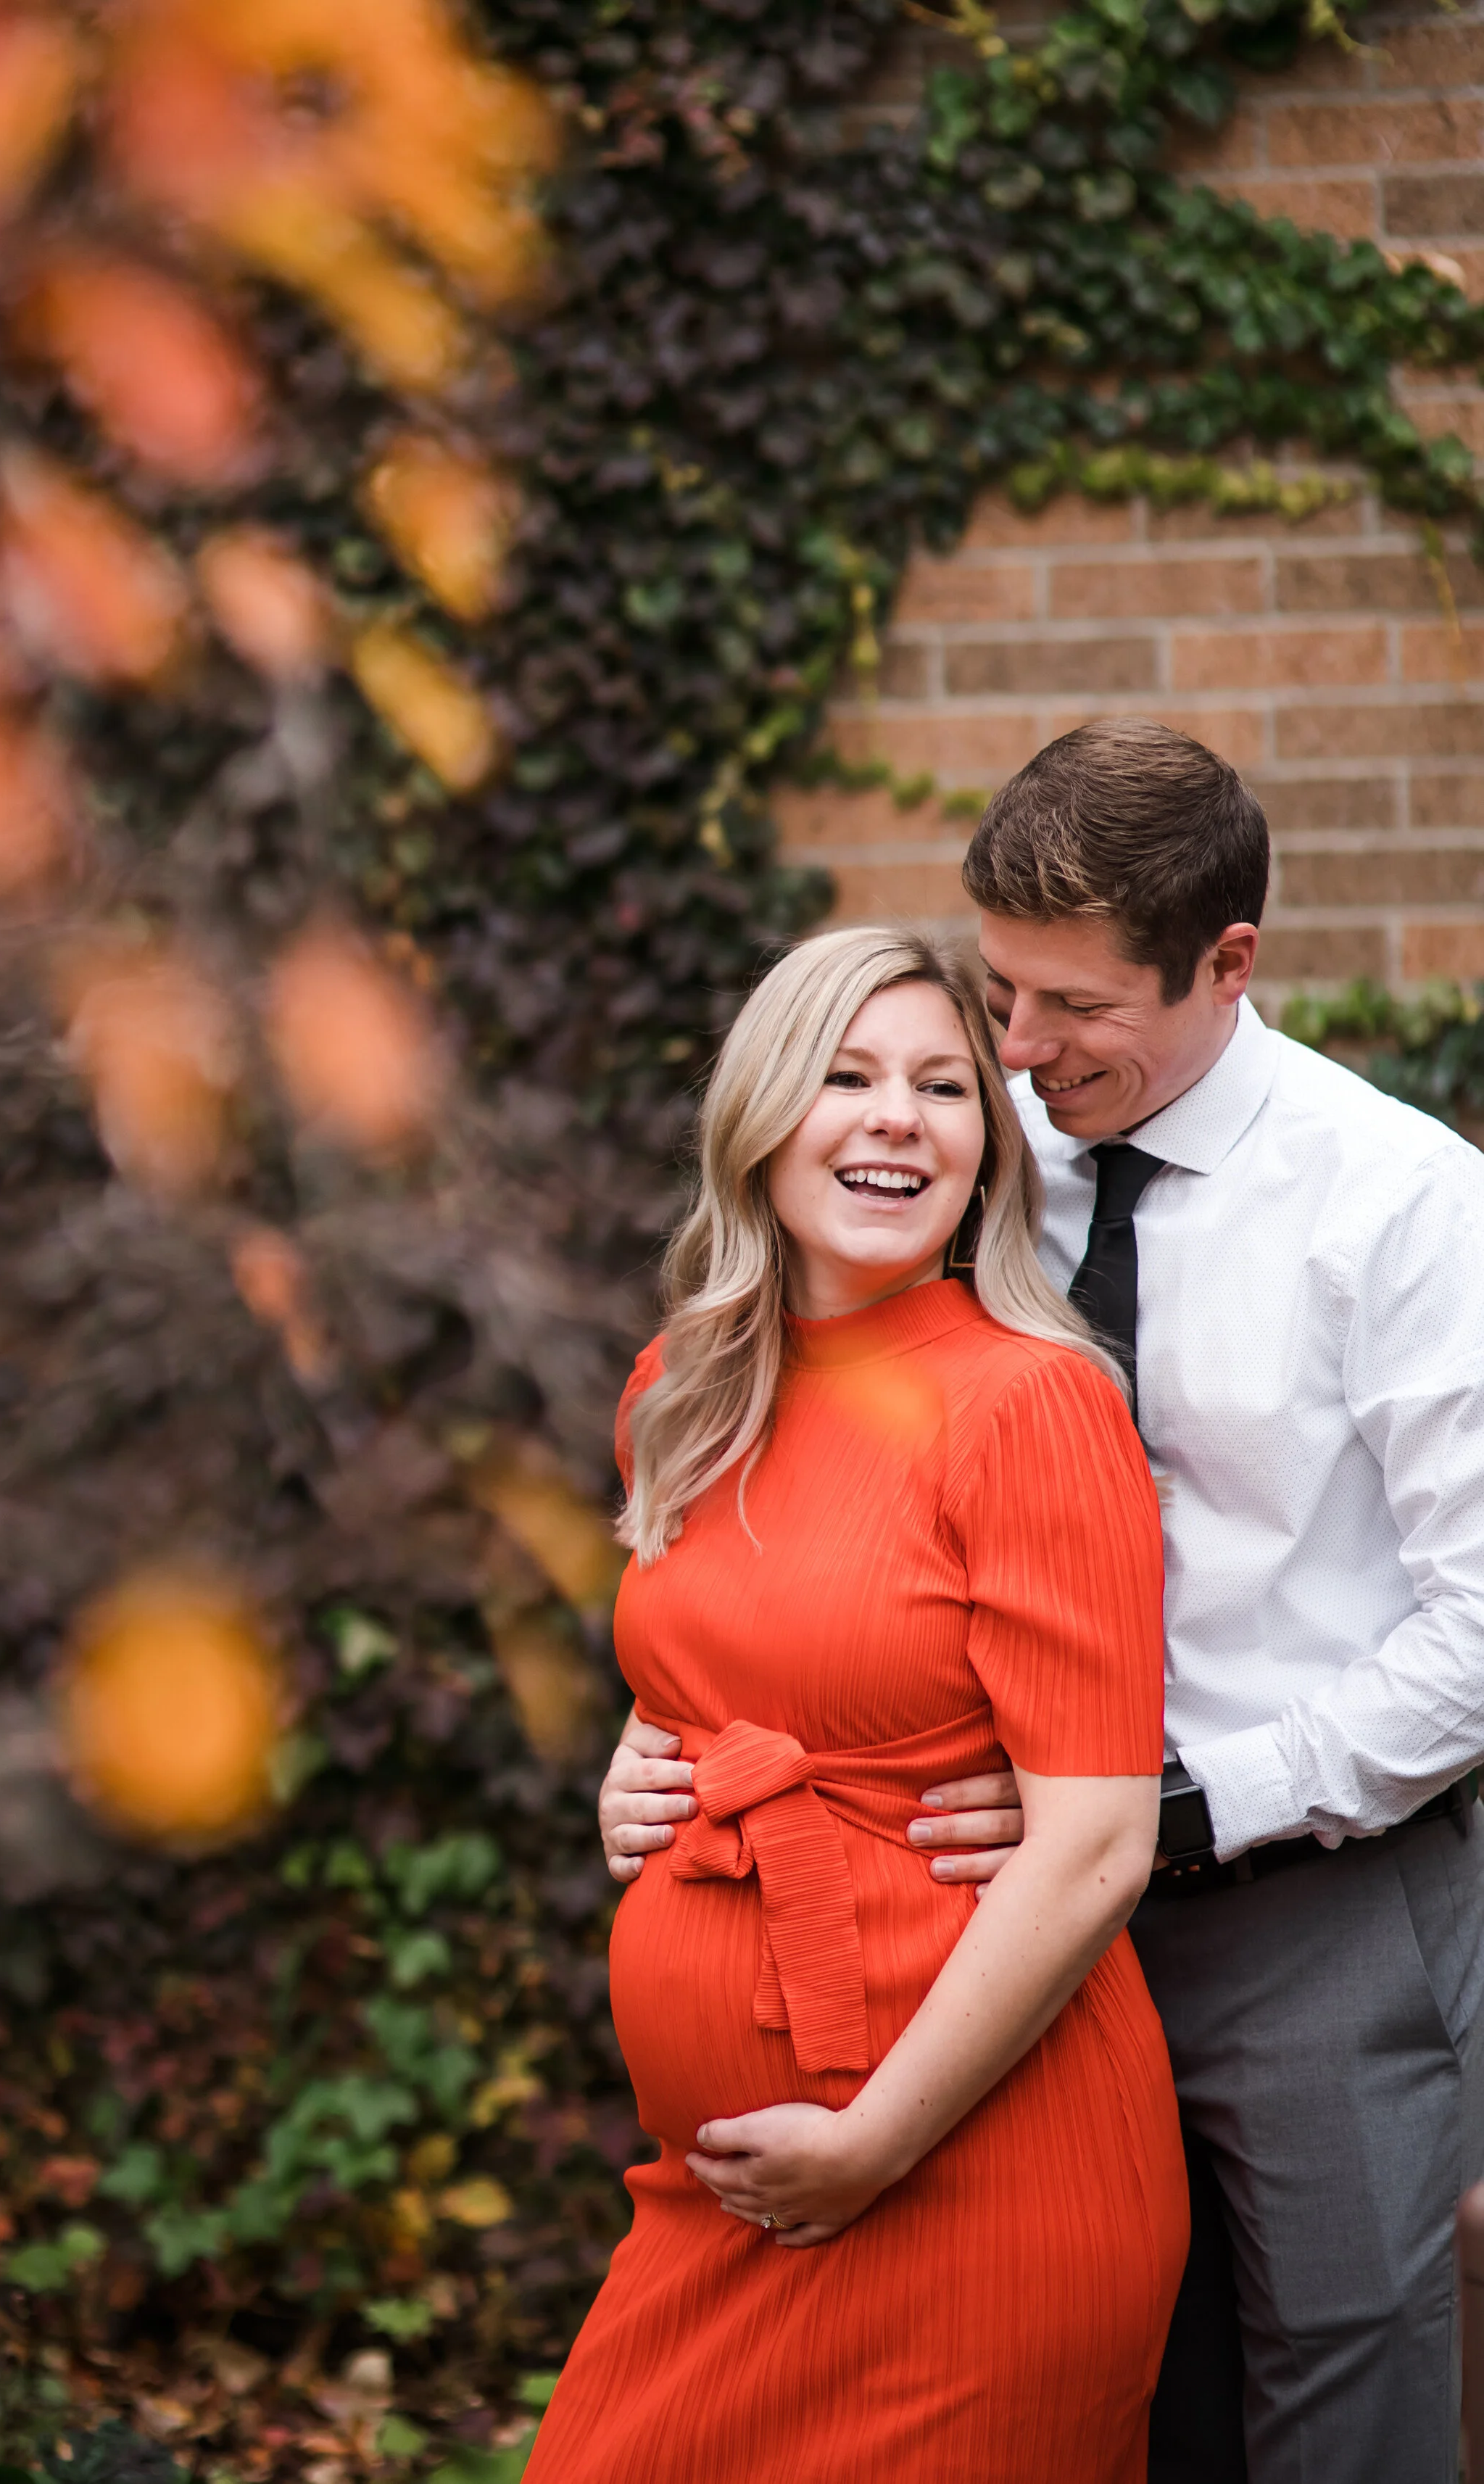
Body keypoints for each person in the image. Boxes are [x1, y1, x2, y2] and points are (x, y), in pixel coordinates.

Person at [602, 718, 1484, 2484]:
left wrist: (1161, 1811)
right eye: (997, 991)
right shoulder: (975, 1139)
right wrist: (667, 1731)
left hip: (1305, 1896)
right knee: (1110, 2418)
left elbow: (1475, 1639)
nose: (1013, 1050)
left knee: (1334, 2406)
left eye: (1070, 1007)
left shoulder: (1401, 1208)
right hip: (988, 1916)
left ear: (1223, 964)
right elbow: (824, 1493)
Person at [530, 924, 1187, 2484]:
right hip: (721, 2200)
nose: (896, 1116)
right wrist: (640, 1765)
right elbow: (722, 1661)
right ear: (762, 1119)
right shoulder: (680, 1387)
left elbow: (1092, 1844)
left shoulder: (1028, 1402)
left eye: (944, 1089)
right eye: (846, 1076)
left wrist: (874, 2141)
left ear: (986, 1153)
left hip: (966, 2186)